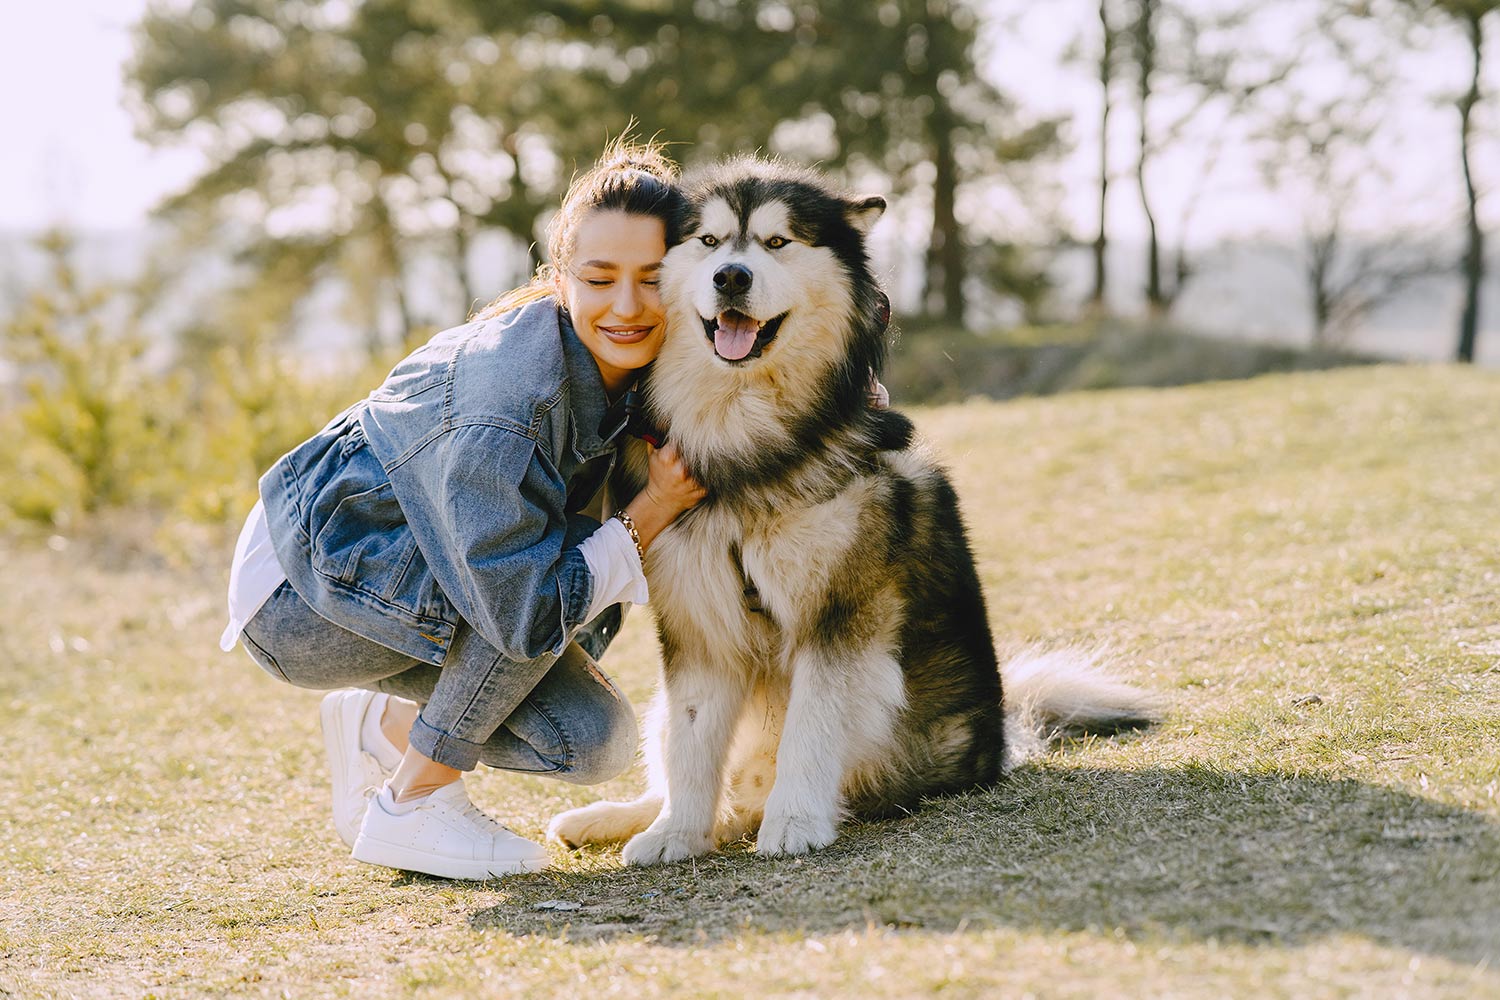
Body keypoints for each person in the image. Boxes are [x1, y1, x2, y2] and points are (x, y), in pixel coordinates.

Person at [219, 138, 705, 881]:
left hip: (402, 570)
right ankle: (413, 804)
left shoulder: (636, 355)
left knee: (592, 741)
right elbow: (526, 618)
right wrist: (652, 511)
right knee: (574, 560)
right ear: (562, 277)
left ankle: (384, 727)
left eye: (654, 279)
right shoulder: (506, 406)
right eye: (601, 279)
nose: (629, 306)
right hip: (299, 593)